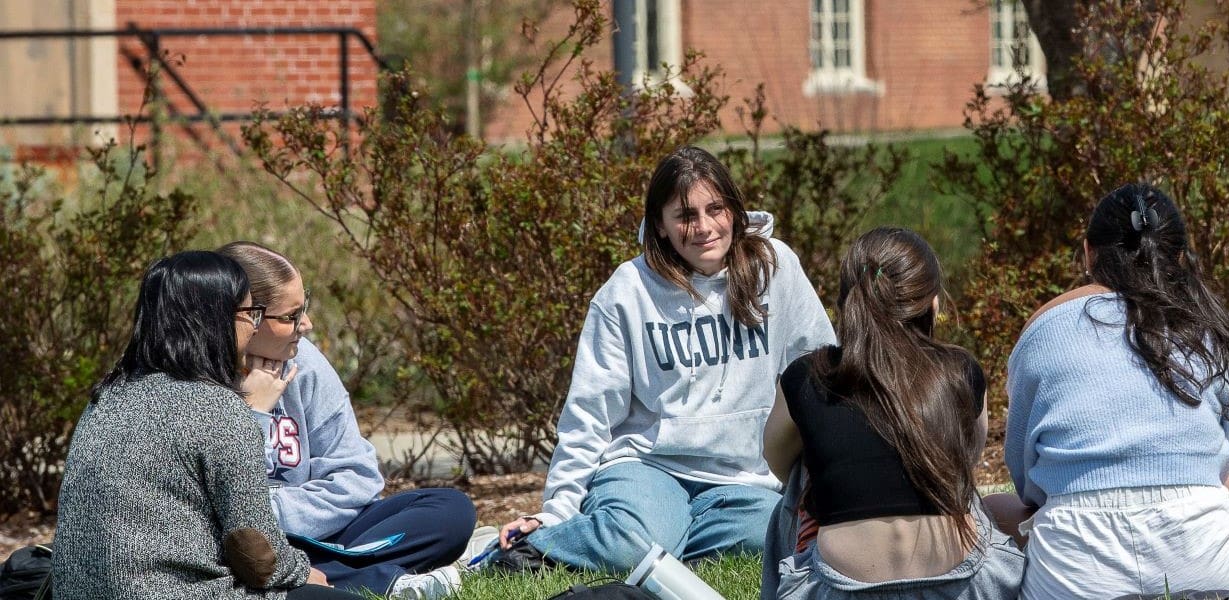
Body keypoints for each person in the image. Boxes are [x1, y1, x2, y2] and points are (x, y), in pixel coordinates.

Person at [486, 146, 836, 573]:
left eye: (716, 209)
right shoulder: (627, 291)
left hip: (743, 480)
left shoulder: (775, 268)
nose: (705, 227)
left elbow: (818, 375)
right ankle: (532, 548)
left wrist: (830, 479)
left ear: (735, 211)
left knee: (777, 539)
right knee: (633, 545)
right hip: (647, 467)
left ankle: (658, 539)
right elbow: (590, 413)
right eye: (686, 215)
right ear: (661, 225)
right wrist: (557, 508)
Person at [987, 183, 1229, 599]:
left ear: (1088, 253)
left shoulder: (1046, 325)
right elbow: (1221, 466)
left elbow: (1024, 472)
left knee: (990, 509)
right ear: (1179, 257)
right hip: (1207, 559)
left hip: (1073, 576)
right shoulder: (1208, 323)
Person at [51, 251, 359, 600]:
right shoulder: (221, 410)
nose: (256, 325)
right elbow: (258, 556)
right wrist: (304, 573)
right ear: (213, 321)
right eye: (250, 314)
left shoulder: (105, 397)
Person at [762, 227, 1023, 598]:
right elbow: (968, 458)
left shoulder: (807, 376)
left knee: (800, 475)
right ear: (933, 303)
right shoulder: (961, 371)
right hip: (965, 585)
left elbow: (775, 461)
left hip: (841, 588)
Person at [216, 242, 474, 598]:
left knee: (450, 511)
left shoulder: (302, 361)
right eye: (290, 316)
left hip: (319, 535)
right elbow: (222, 511)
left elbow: (358, 476)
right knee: (233, 552)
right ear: (248, 318)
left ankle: (318, 575)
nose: (305, 325)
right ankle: (381, 580)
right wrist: (252, 414)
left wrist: (281, 514)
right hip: (241, 546)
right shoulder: (197, 381)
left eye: (304, 307)